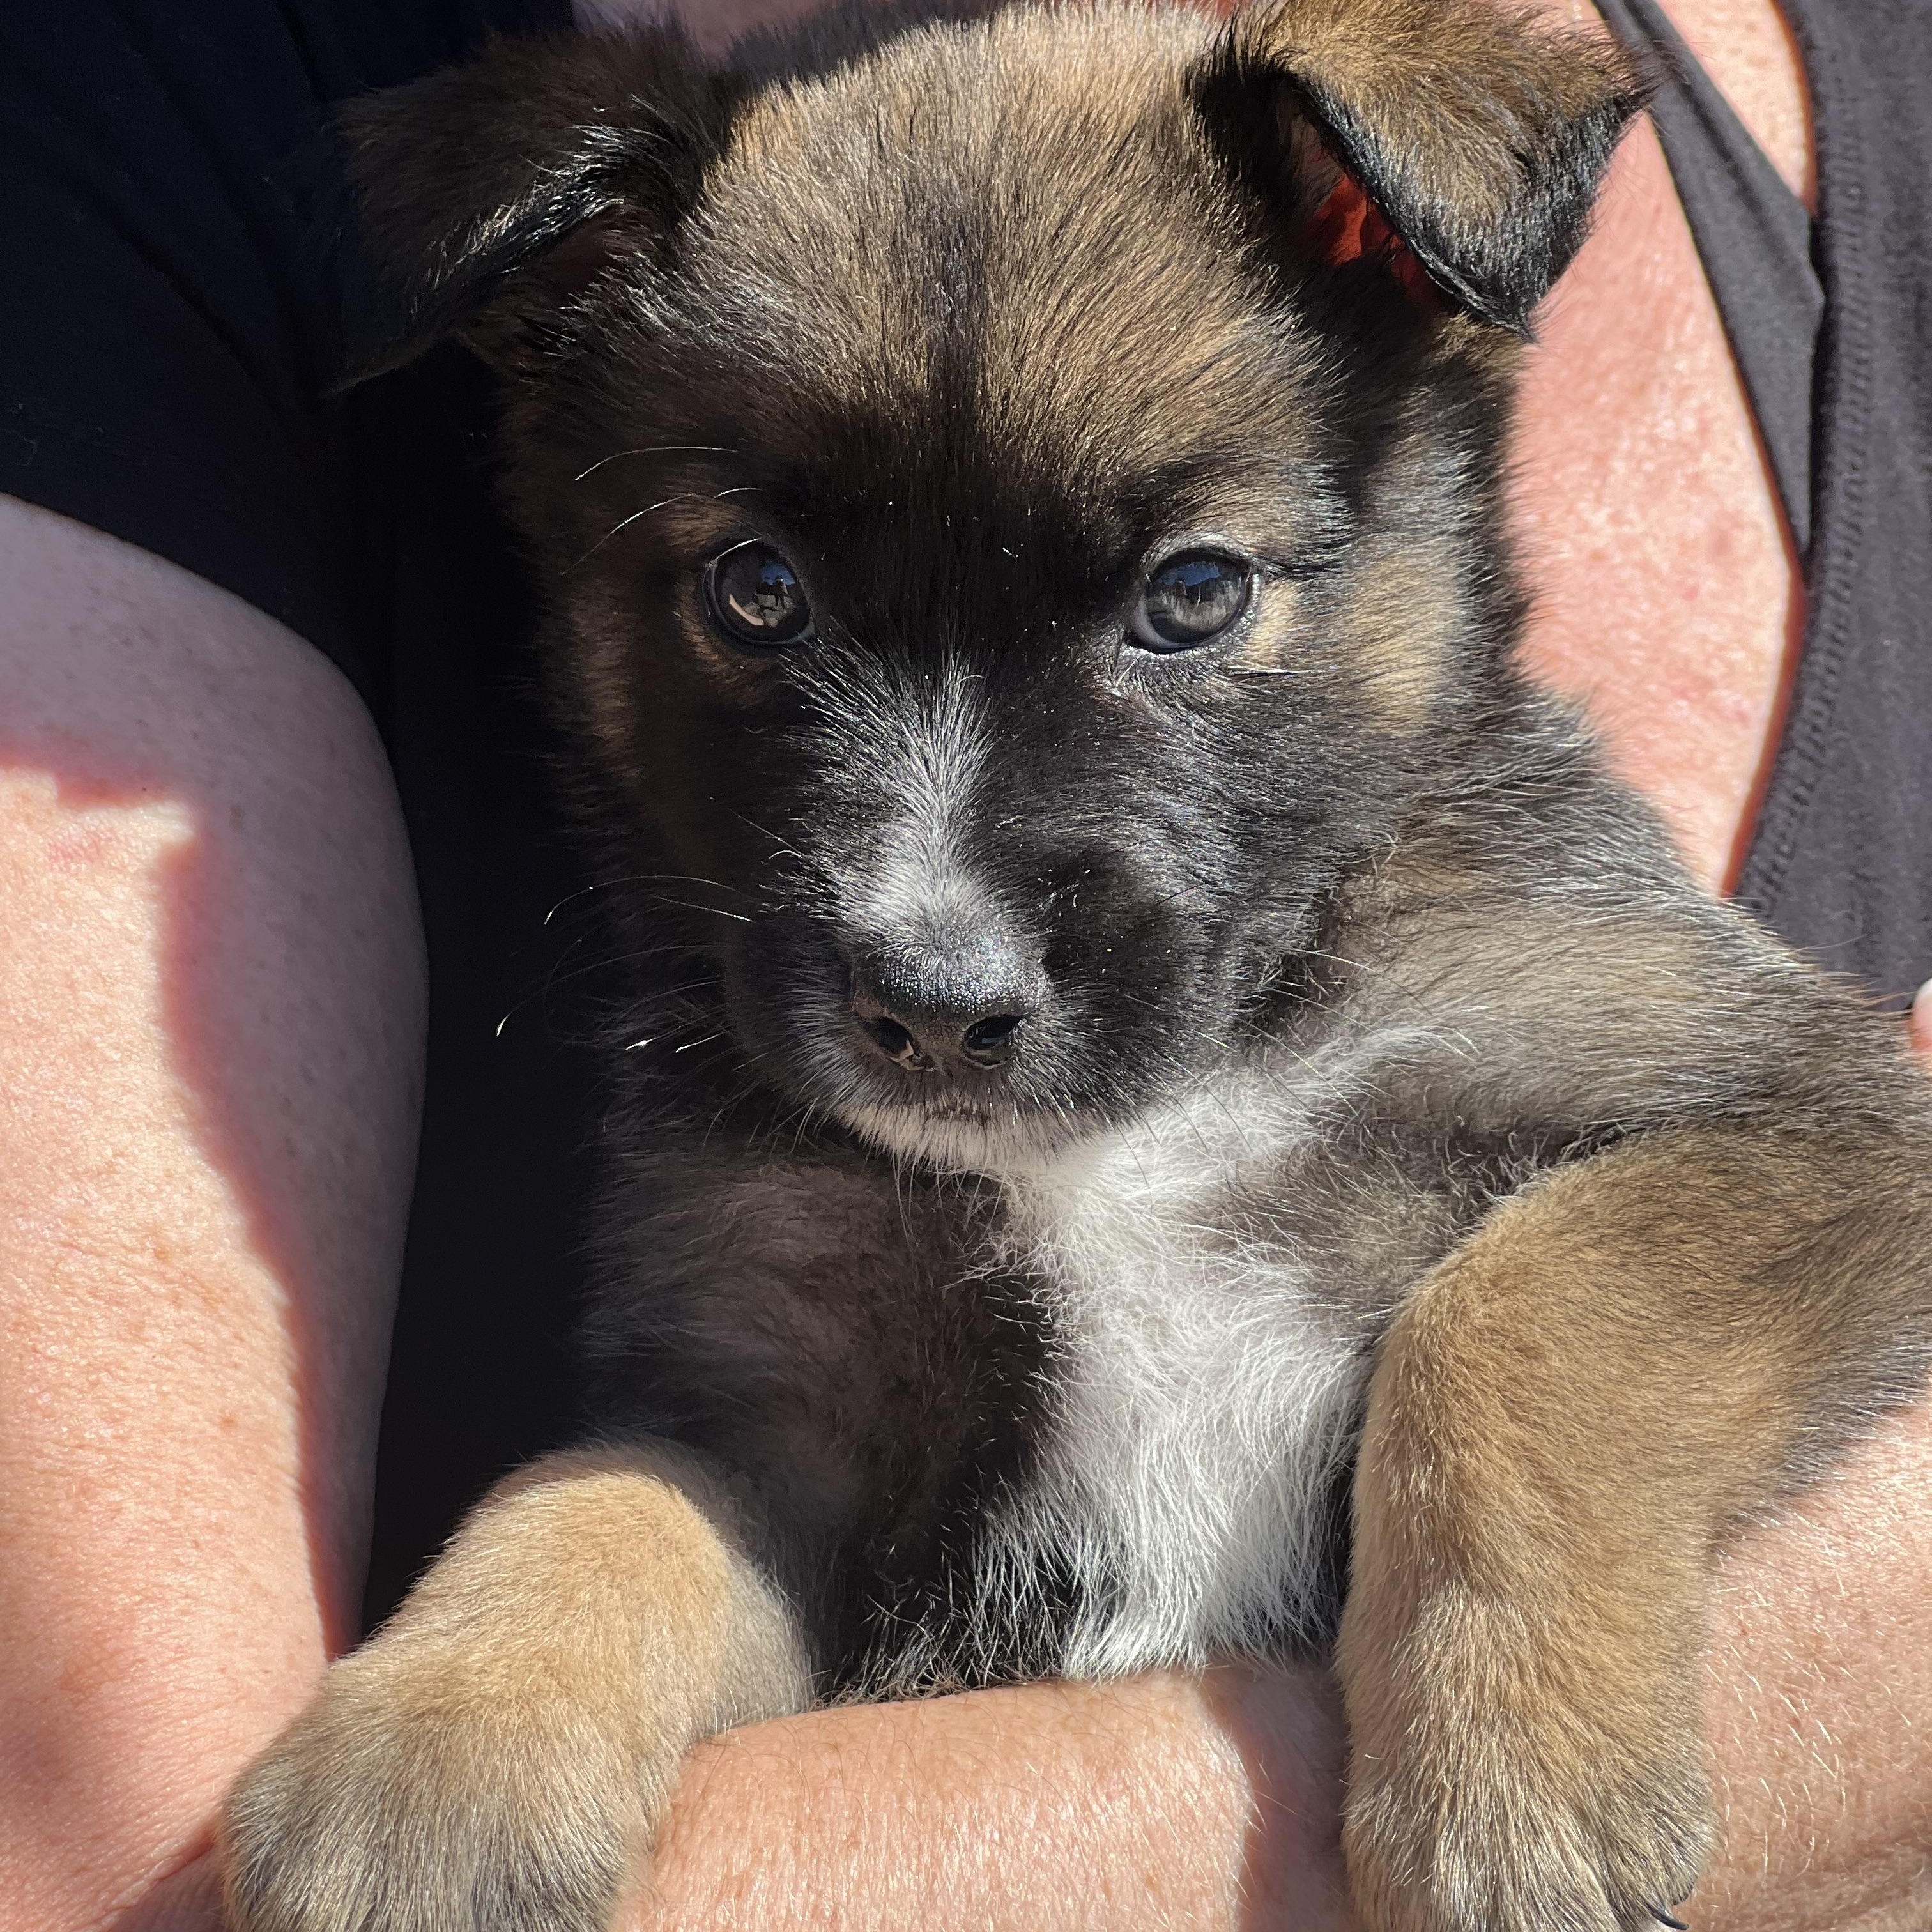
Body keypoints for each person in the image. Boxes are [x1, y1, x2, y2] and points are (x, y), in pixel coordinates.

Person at [3, 1, 1927, 1928]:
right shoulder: (143, 127)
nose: (932, 916)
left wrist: (1528, 1463)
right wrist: (562, 1617)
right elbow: (760, 1489)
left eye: (1189, 597)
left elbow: (1833, 1169)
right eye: (759, 595)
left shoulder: (1506, 903)